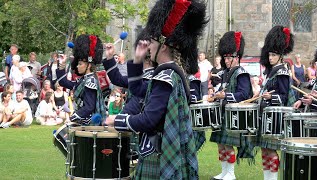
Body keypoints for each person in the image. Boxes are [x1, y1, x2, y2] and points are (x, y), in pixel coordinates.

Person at [106, 0, 207, 179]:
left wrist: (118, 119)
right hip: (161, 148)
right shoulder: (171, 73)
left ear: (164, 45)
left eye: (152, 41)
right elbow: (137, 89)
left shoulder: (165, 77)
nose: (148, 47)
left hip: (158, 152)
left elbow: (148, 120)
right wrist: (137, 59)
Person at [210, 31, 252, 180]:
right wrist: (215, 95)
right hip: (222, 112)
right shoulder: (226, 73)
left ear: (237, 57)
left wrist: (225, 95)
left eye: (229, 57)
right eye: (225, 57)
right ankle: (224, 171)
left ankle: (231, 173)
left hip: (233, 115)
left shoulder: (242, 73)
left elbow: (244, 94)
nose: (226, 60)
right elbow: (221, 90)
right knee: (220, 144)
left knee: (228, 145)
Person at [258, 25, 294, 180]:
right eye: (269, 54)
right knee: (265, 150)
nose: (270, 57)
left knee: (272, 151)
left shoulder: (283, 72)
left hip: (275, 119)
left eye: (273, 55)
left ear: (280, 55)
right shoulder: (270, 71)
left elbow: (284, 97)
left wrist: (269, 97)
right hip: (266, 116)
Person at [56, 34, 106, 125]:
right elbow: (64, 82)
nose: (77, 66)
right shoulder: (83, 80)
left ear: (89, 65)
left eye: (80, 64)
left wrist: (73, 117)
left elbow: (89, 107)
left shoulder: (90, 81)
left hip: (90, 123)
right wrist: (62, 66)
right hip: (83, 120)